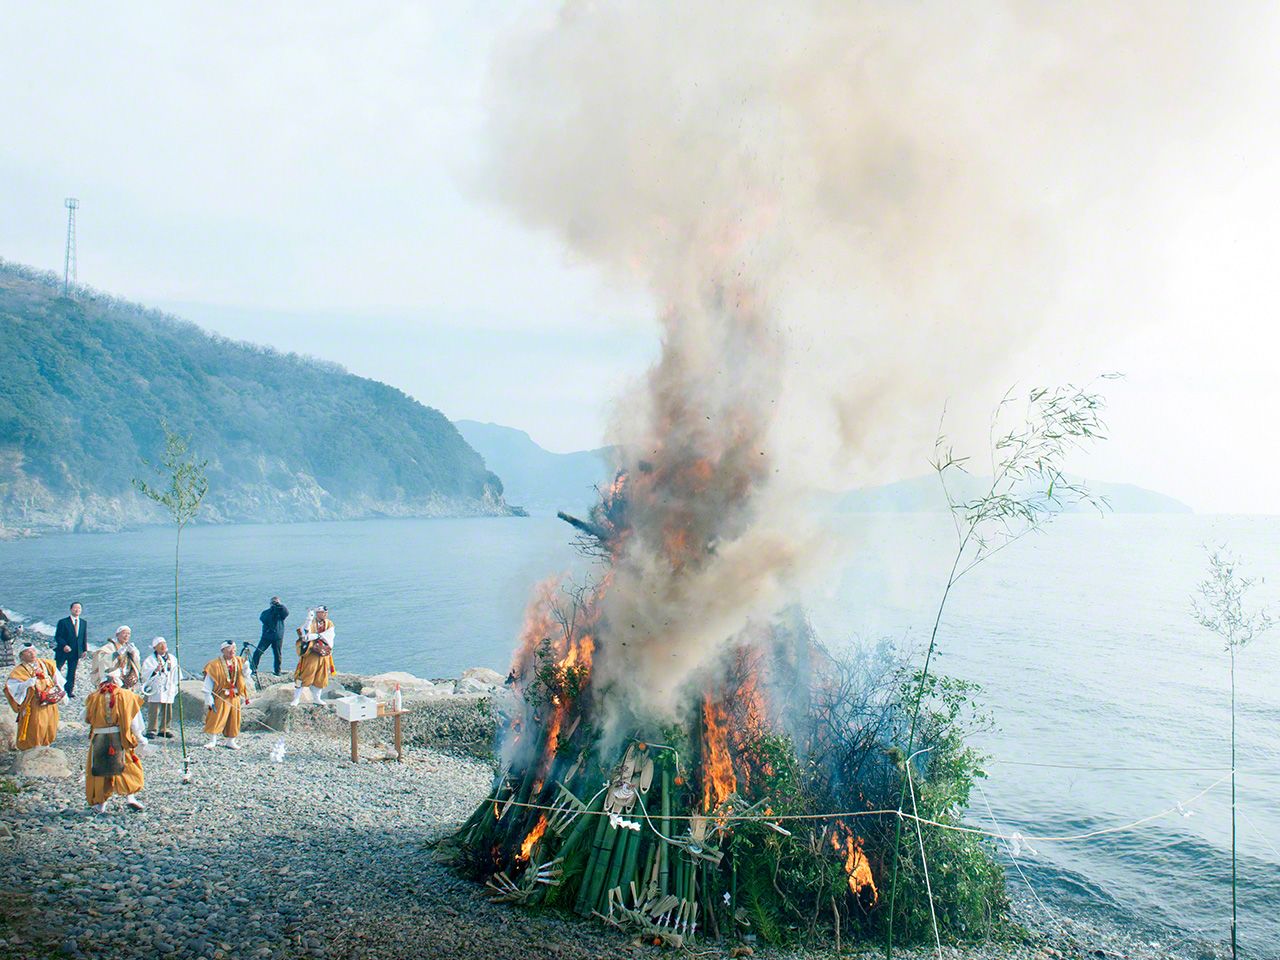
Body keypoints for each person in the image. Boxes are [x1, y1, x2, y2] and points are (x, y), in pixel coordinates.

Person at [85, 668, 146, 812]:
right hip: (119, 737)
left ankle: (101, 803)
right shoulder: (127, 696)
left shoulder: (93, 697)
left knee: (100, 769)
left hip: (99, 737)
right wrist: (139, 737)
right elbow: (134, 722)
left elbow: (85, 718)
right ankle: (130, 797)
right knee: (127, 766)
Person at [5, 642, 64, 749]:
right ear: (22, 655)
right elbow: (11, 688)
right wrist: (26, 684)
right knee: (36, 726)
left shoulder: (46, 664)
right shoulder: (19, 671)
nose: (32, 654)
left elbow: (57, 678)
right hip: (34, 704)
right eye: (28, 652)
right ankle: (32, 749)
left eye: (33, 650)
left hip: (50, 701)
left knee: (50, 725)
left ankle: (46, 745)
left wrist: (62, 693)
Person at [203, 640, 251, 750]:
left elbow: (246, 676)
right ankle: (212, 740)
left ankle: (231, 740)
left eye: (234, 648)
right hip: (221, 695)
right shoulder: (214, 664)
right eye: (229, 649)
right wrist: (209, 699)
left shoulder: (239, 661)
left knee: (234, 718)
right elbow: (208, 683)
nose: (232, 651)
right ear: (223, 650)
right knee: (216, 717)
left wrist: (246, 667)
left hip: (234, 694)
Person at [291, 606, 335, 707]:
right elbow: (304, 634)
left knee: (321, 676)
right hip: (311, 653)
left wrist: (317, 636)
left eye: (325, 612)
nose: (324, 614)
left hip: (323, 654)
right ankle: (296, 698)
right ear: (318, 613)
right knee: (303, 675)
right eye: (322, 612)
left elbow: (330, 635)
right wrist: (308, 620)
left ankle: (317, 698)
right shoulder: (311, 622)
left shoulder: (329, 623)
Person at [140, 637, 179, 739]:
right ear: (155, 647)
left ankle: (165, 729)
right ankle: (151, 730)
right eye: (160, 645)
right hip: (156, 687)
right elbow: (145, 673)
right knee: (154, 710)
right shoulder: (150, 659)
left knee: (168, 709)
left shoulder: (173, 658)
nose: (163, 646)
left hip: (168, 686)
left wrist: (176, 684)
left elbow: (176, 672)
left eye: (164, 644)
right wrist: (155, 670)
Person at [54, 601, 89, 698]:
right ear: (71, 609)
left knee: (71, 672)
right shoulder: (63, 622)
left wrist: (84, 650)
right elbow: (58, 637)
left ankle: (69, 691)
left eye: (79, 608)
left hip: (75, 652)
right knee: (56, 669)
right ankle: (53, 688)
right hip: (63, 651)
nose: (77, 610)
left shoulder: (83, 622)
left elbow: (83, 637)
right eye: (75, 608)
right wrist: (64, 645)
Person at [93, 626, 142, 692]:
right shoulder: (109, 647)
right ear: (117, 635)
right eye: (124, 633)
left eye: (129, 634)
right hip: (113, 677)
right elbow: (101, 660)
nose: (127, 635)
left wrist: (133, 653)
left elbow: (137, 661)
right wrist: (116, 654)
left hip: (127, 677)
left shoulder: (130, 647)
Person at [251, 596, 289, 676]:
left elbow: (286, 612)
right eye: (273, 603)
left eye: (276, 602)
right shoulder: (266, 612)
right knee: (258, 652)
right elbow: (263, 619)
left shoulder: (281, 614)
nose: (274, 604)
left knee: (277, 654)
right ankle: (253, 669)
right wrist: (272, 610)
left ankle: (277, 671)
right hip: (266, 637)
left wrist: (279, 606)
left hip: (277, 637)